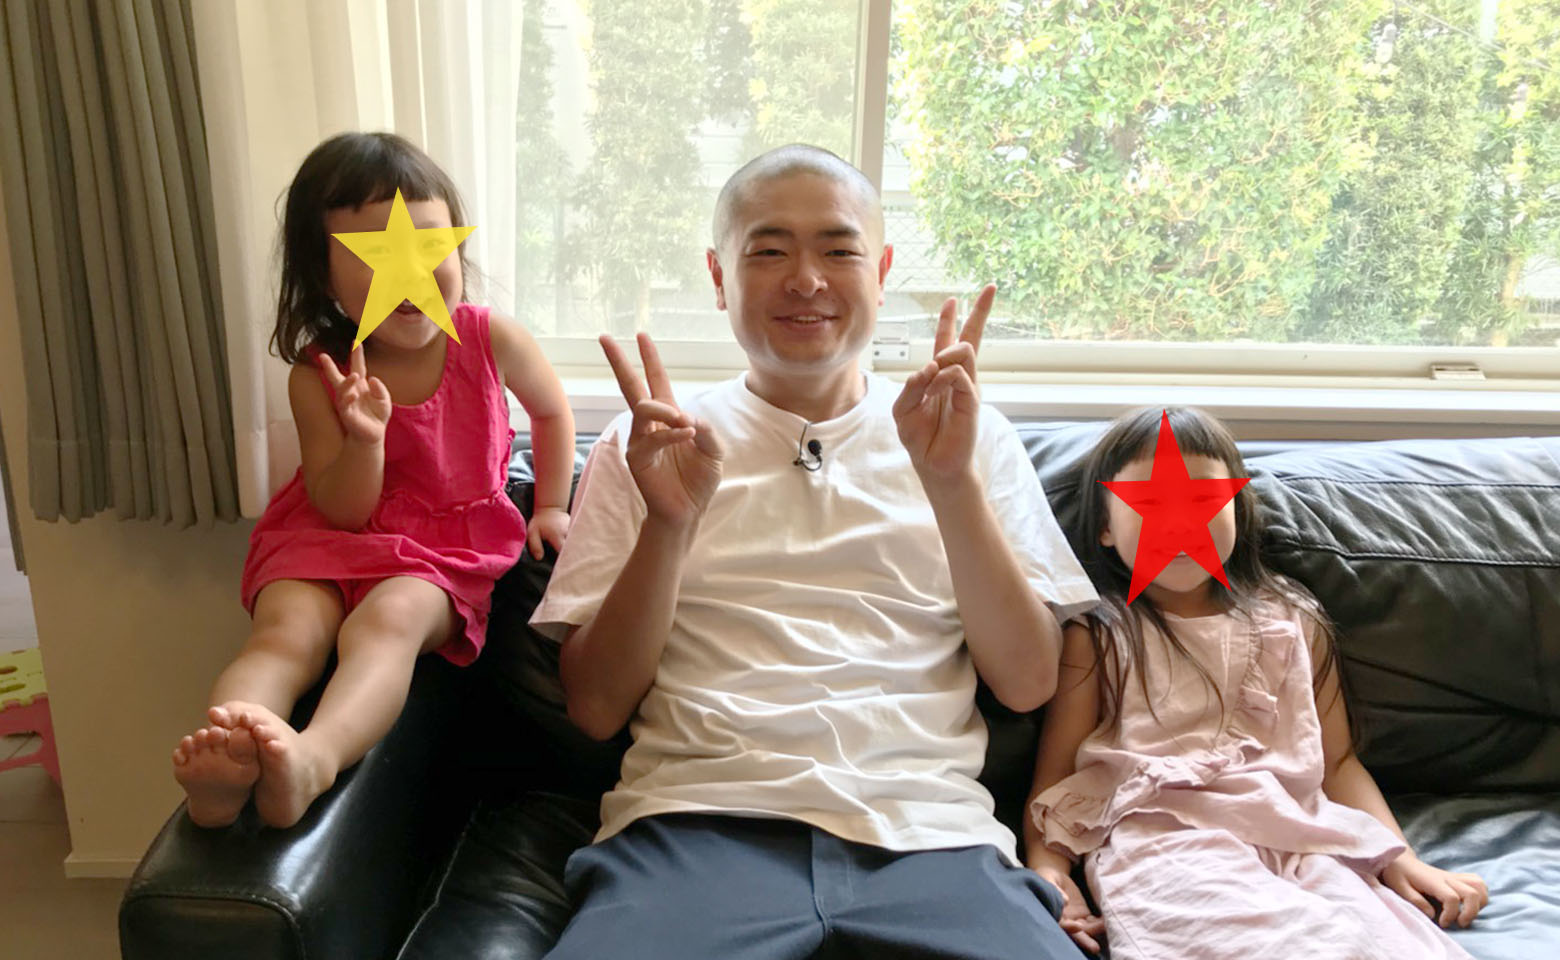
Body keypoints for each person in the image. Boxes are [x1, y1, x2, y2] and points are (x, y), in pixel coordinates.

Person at [529, 143, 1099, 959]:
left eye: (838, 251)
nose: (805, 281)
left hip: (932, 836)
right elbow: (594, 709)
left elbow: (1029, 682)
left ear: (883, 271)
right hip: (694, 823)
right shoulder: (646, 442)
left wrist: (950, 485)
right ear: (718, 276)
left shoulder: (972, 438)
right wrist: (669, 524)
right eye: (768, 252)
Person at [171, 132, 575, 829]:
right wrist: (366, 440)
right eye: (374, 254)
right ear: (325, 279)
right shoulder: (318, 374)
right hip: (331, 534)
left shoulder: (491, 338)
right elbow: (343, 510)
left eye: (429, 243)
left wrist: (552, 506)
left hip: (442, 552)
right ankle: (232, 752)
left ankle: (313, 760)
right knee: (285, 633)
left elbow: (551, 410)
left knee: (389, 623)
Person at [1026, 405, 1490, 958]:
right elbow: (1056, 781)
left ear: (1237, 511)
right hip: (1166, 843)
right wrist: (1051, 873)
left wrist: (1401, 859)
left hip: (1300, 839)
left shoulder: (1293, 619)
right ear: (1105, 527)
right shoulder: (1101, 635)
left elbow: (1337, 764)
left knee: (1373, 940)